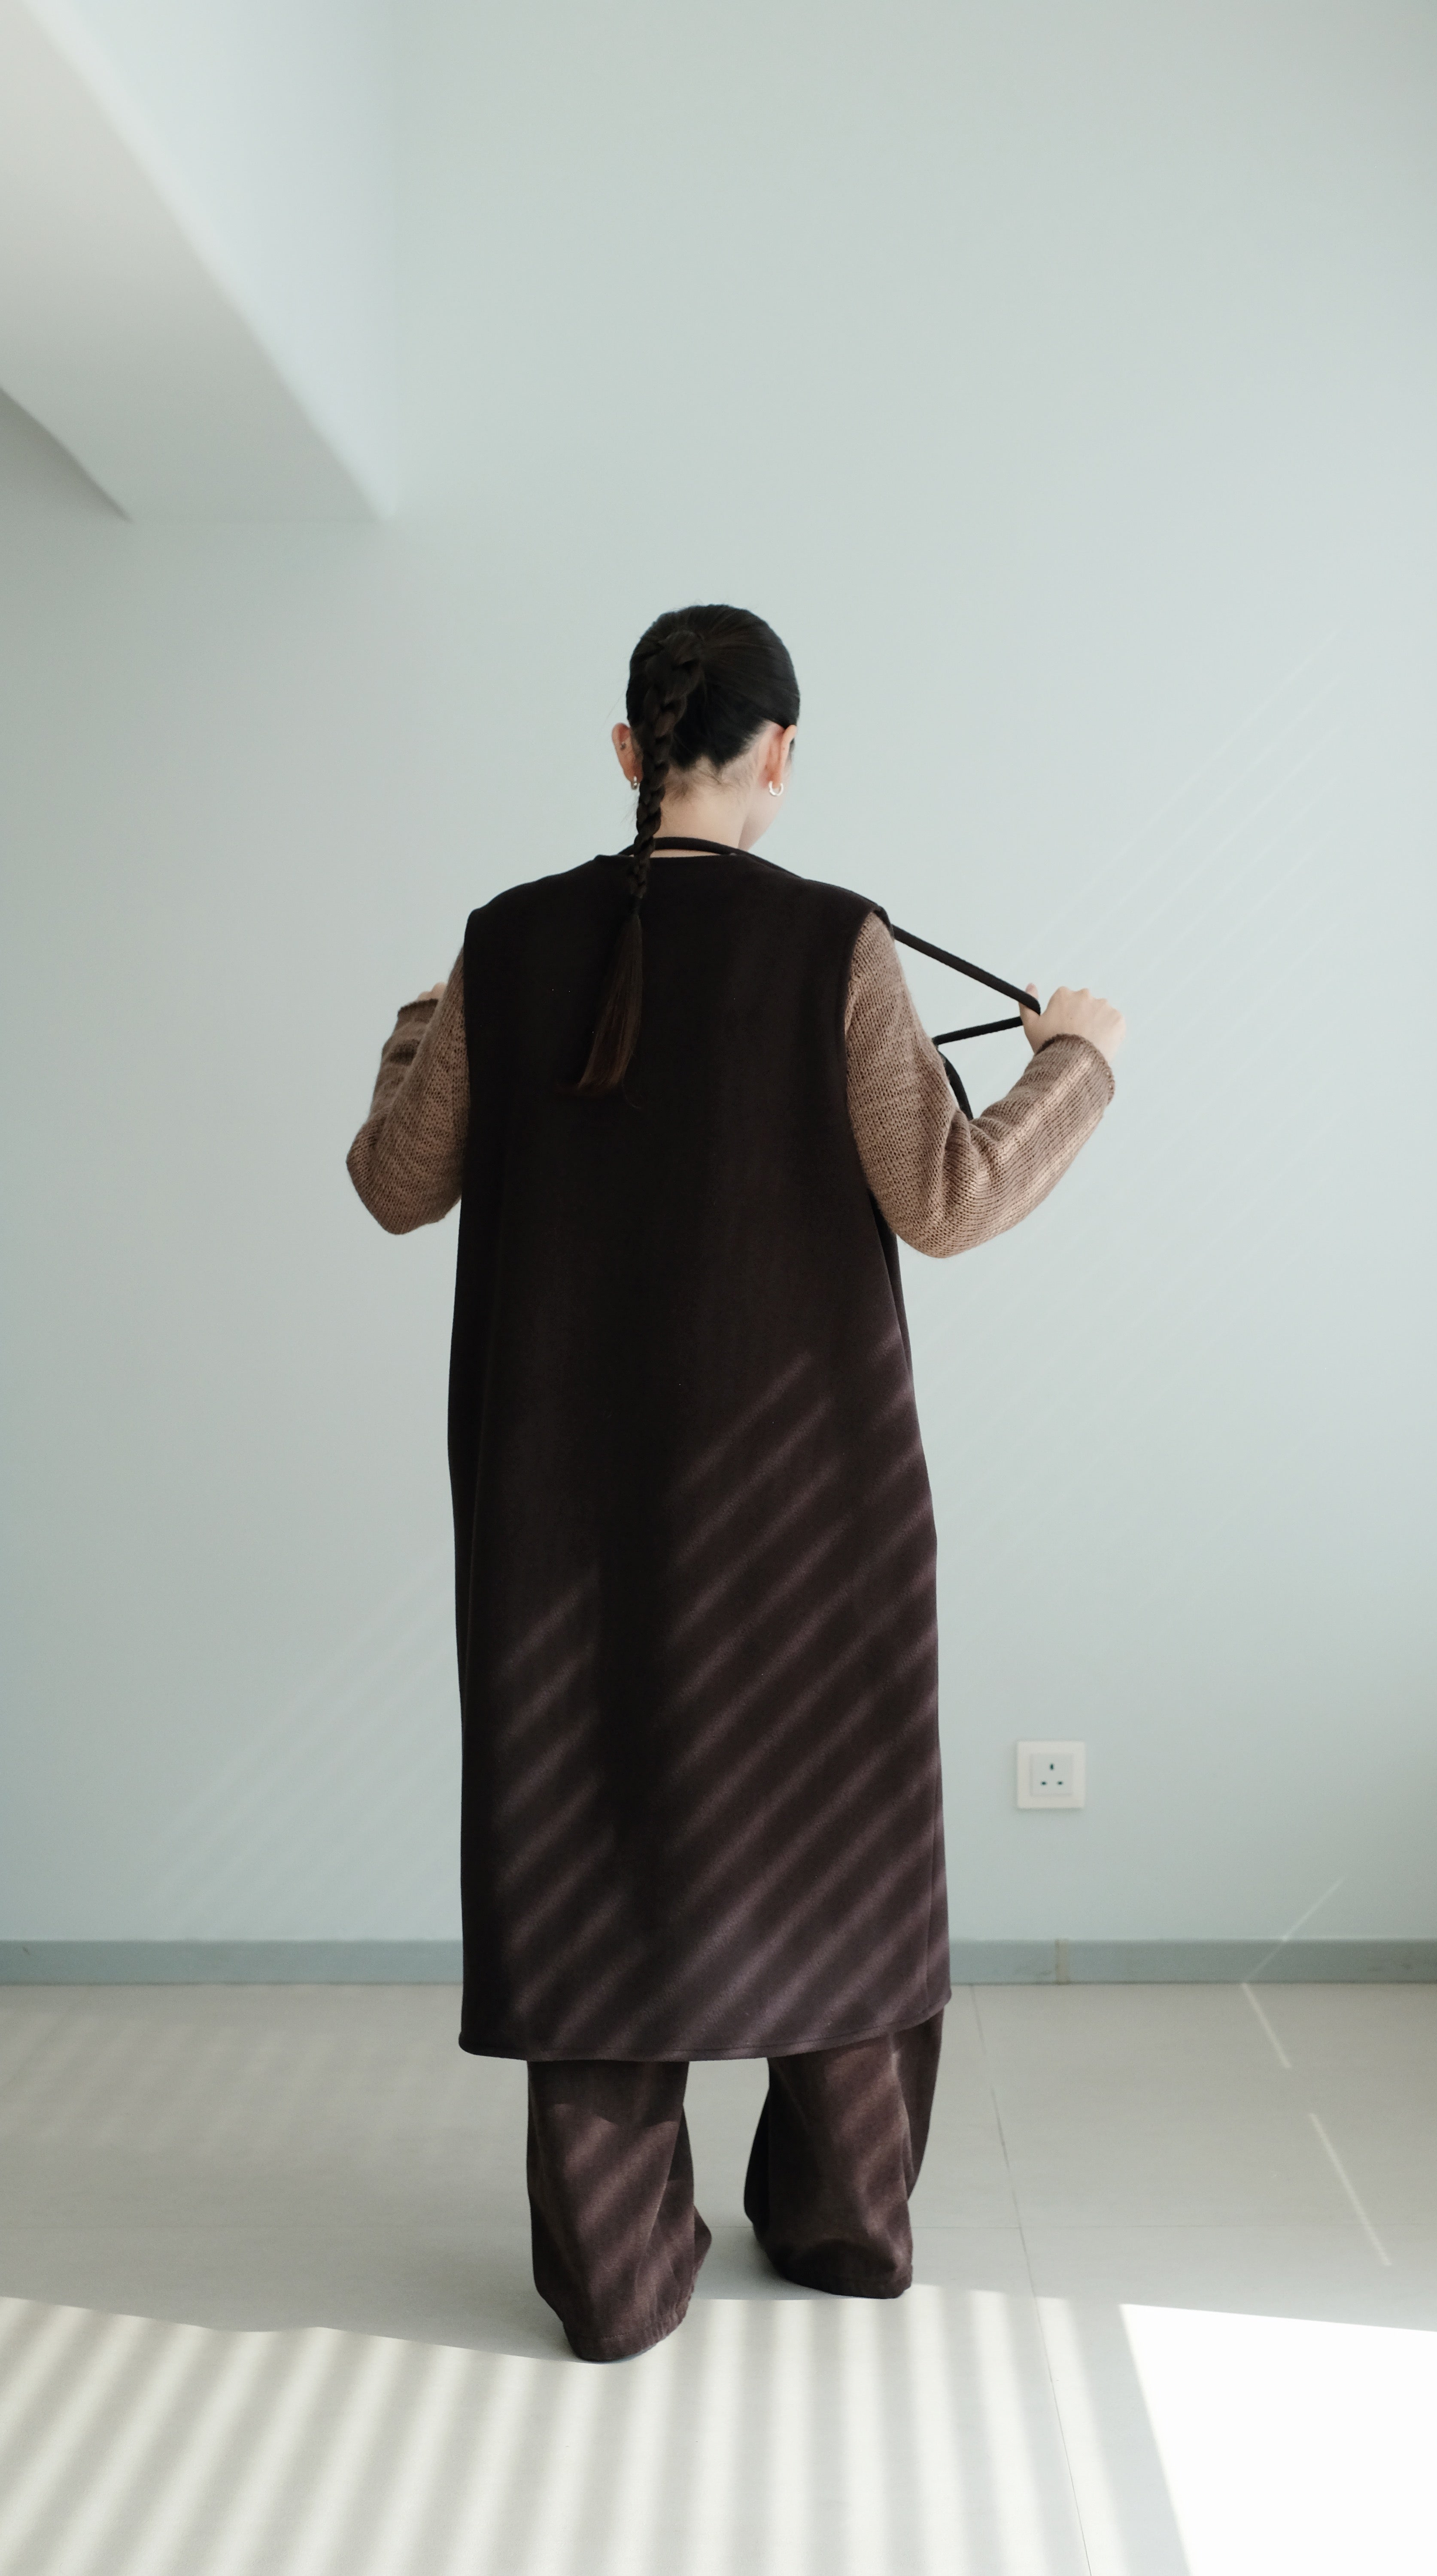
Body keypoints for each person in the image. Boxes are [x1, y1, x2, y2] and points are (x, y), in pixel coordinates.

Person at [347, 603, 1124, 2361]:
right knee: (833, 1839)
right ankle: (841, 2228)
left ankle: (617, 2280)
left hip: (558, 1523)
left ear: (630, 751)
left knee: (586, 1838)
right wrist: (1076, 1063)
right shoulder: (836, 942)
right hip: (809, 1515)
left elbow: (396, 1182)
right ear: (778, 758)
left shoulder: (505, 941)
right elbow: (949, 1198)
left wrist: (427, 1015)